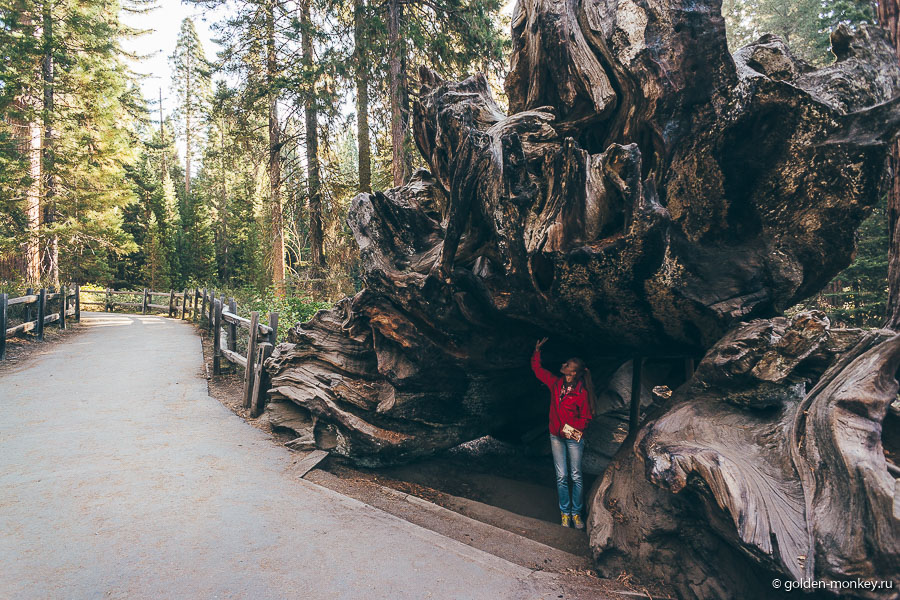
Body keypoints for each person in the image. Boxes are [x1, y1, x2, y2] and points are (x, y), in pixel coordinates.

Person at [531, 337, 596, 529]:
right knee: (561, 476)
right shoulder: (556, 384)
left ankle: (576, 514)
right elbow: (538, 371)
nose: (563, 365)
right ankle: (565, 513)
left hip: (574, 437)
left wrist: (570, 429)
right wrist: (536, 353)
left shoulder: (582, 392)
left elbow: (587, 417)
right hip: (556, 436)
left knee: (575, 475)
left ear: (574, 372)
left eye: (567, 365)